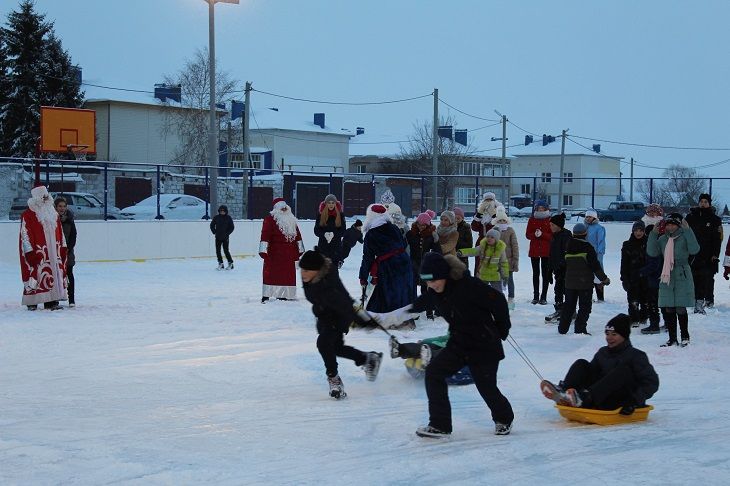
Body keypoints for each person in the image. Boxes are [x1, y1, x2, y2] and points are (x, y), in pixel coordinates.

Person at [382, 252, 514, 438]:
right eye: (427, 282)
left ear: (444, 274)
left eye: (434, 280)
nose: (431, 285)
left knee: (486, 386)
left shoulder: (469, 286)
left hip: (484, 344)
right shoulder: (435, 293)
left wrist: (502, 329)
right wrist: (386, 319)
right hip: (458, 343)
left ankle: (504, 418)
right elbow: (415, 306)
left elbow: (498, 301)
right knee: (434, 374)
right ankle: (440, 425)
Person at [299, 250, 383, 400]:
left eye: (306, 270)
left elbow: (345, 303)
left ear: (317, 270)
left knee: (324, 343)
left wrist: (363, 320)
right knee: (335, 348)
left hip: (339, 316)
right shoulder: (310, 277)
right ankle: (367, 359)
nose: (302, 273)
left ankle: (334, 379)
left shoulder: (329, 286)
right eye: (301, 269)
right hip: (324, 314)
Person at [541, 314, 659, 414]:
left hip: (622, 401)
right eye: (607, 334)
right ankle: (565, 393)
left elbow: (651, 383)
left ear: (624, 336)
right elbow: (591, 374)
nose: (609, 338)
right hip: (601, 397)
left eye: (614, 334)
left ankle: (583, 399)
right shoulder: (603, 352)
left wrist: (633, 401)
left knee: (622, 371)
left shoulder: (636, 356)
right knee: (582, 364)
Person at [647, 213, 700, 347]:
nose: (670, 227)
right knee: (669, 307)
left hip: (682, 273)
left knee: (680, 307)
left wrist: (688, 231)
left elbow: (695, 249)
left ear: (678, 226)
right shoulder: (663, 239)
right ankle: (672, 338)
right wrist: (653, 234)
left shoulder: (684, 237)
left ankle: (685, 336)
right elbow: (652, 252)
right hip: (667, 274)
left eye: (673, 224)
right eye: (668, 225)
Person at [359, 203, 414, 319]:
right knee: (403, 290)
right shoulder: (393, 228)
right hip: (404, 261)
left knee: (388, 293)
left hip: (389, 265)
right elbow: (403, 244)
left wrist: (363, 276)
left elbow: (367, 257)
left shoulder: (371, 233)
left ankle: (389, 320)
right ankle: (406, 319)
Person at [19, 183, 68, 310]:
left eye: (47, 196)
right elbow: (25, 235)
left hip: (54, 250)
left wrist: (63, 247)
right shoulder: (28, 215)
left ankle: (51, 300)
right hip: (38, 251)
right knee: (35, 273)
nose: (46, 199)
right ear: (37, 198)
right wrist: (29, 252)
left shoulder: (53, 213)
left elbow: (60, 232)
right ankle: (32, 301)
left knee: (53, 273)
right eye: (43, 197)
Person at [558, 223, 610, 335]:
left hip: (570, 283)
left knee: (568, 306)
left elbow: (563, 264)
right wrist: (604, 279)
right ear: (585, 234)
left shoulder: (568, 246)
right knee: (584, 307)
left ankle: (562, 329)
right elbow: (595, 266)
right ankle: (580, 329)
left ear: (573, 234)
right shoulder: (588, 247)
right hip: (585, 284)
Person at [259, 198, 305, 303]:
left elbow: (297, 236)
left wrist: (300, 249)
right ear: (276, 209)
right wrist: (263, 250)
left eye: (285, 207)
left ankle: (285, 294)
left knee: (287, 275)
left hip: (289, 253)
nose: (284, 209)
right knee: (271, 275)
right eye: (281, 207)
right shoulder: (269, 220)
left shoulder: (292, 220)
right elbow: (265, 235)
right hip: (274, 253)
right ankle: (268, 294)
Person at [685, 193, 722, 313]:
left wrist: (715, 254)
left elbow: (717, 239)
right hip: (692, 254)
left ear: (709, 203)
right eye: (701, 201)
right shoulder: (690, 217)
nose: (703, 203)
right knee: (692, 277)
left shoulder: (715, 219)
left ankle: (708, 300)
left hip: (708, 255)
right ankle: (694, 300)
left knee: (707, 278)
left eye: (706, 202)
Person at [406, 211, 440, 319]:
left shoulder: (432, 235)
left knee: (426, 289)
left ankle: (429, 311)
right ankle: (414, 311)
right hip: (413, 265)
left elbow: (438, 251)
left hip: (426, 267)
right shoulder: (411, 234)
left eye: (424, 225)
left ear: (428, 225)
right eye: (419, 224)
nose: (421, 226)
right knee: (412, 288)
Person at [458, 228, 509, 293]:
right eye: (487, 236)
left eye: (492, 237)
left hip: (495, 275)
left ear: (496, 239)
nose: (489, 238)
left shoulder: (500, 249)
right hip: (483, 274)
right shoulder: (483, 246)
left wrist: (505, 275)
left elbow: (504, 263)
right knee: (480, 292)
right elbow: (473, 251)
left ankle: (500, 302)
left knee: (498, 293)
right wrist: (462, 252)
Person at [620, 221, 651, 327]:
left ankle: (644, 317)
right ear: (633, 231)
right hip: (632, 276)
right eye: (636, 230)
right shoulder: (627, 244)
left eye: (641, 230)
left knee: (645, 299)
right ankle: (634, 319)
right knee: (633, 300)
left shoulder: (648, 243)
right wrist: (623, 278)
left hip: (645, 276)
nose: (638, 233)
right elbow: (624, 263)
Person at [526, 200, 553, 304]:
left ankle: (544, 296)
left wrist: (542, 234)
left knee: (545, 274)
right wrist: (535, 235)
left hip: (546, 251)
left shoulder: (550, 220)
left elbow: (552, 236)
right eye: (539, 208)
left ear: (546, 209)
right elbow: (528, 234)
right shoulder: (532, 219)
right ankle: (536, 296)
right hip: (534, 250)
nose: (540, 209)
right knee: (535, 274)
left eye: (542, 208)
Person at [546, 212, 571, 322]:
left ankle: (570, 311)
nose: (550, 227)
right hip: (557, 269)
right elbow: (552, 254)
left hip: (566, 270)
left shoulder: (566, 236)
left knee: (566, 290)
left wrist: (561, 265)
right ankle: (559, 309)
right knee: (558, 290)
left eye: (552, 225)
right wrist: (550, 269)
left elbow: (566, 253)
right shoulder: (554, 237)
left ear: (559, 226)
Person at [492, 207, 519, 309]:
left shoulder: (510, 231)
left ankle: (511, 299)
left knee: (509, 280)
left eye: (504, 220)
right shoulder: (494, 230)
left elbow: (515, 245)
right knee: (496, 281)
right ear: (496, 221)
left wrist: (515, 259)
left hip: (508, 260)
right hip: (496, 261)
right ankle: (499, 299)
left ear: (507, 220)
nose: (502, 222)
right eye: (500, 220)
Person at [54, 197, 77, 307]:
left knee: (69, 274)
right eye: (60, 206)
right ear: (56, 207)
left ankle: (71, 299)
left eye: (64, 206)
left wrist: (68, 248)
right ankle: (56, 299)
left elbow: (73, 235)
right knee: (56, 276)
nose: (62, 208)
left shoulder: (70, 220)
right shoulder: (52, 220)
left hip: (67, 253)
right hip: (56, 253)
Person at [314, 194, 346, 267]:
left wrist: (333, 234)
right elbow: (316, 230)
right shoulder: (320, 215)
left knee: (333, 274)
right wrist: (324, 234)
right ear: (325, 204)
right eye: (329, 203)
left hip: (335, 248)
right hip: (323, 247)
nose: (331, 205)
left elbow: (343, 231)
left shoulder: (340, 215)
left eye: (333, 203)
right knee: (322, 273)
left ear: (335, 203)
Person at [584, 209, 607, 303]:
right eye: (586, 217)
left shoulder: (599, 228)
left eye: (590, 216)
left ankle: (600, 297)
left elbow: (601, 242)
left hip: (596, 255)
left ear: (594, 217)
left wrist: (599, 253)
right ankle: (588, 296)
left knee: (598, 274)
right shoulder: (584, 227)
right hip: (586, 255)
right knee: (587, 276)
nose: (588, 218)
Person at [210, 204, 235, 270]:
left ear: (226, 211)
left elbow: (232, 227)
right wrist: (214, 232)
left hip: (225, 238)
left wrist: (227, 234)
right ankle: (220, 263)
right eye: (221, 211)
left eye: (223, 211)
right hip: (218, 237)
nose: (222, 212)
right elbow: (212, 225)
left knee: (226, 251)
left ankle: (230, 263)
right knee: (218, 251)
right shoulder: (216, 217)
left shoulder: (228, 218)